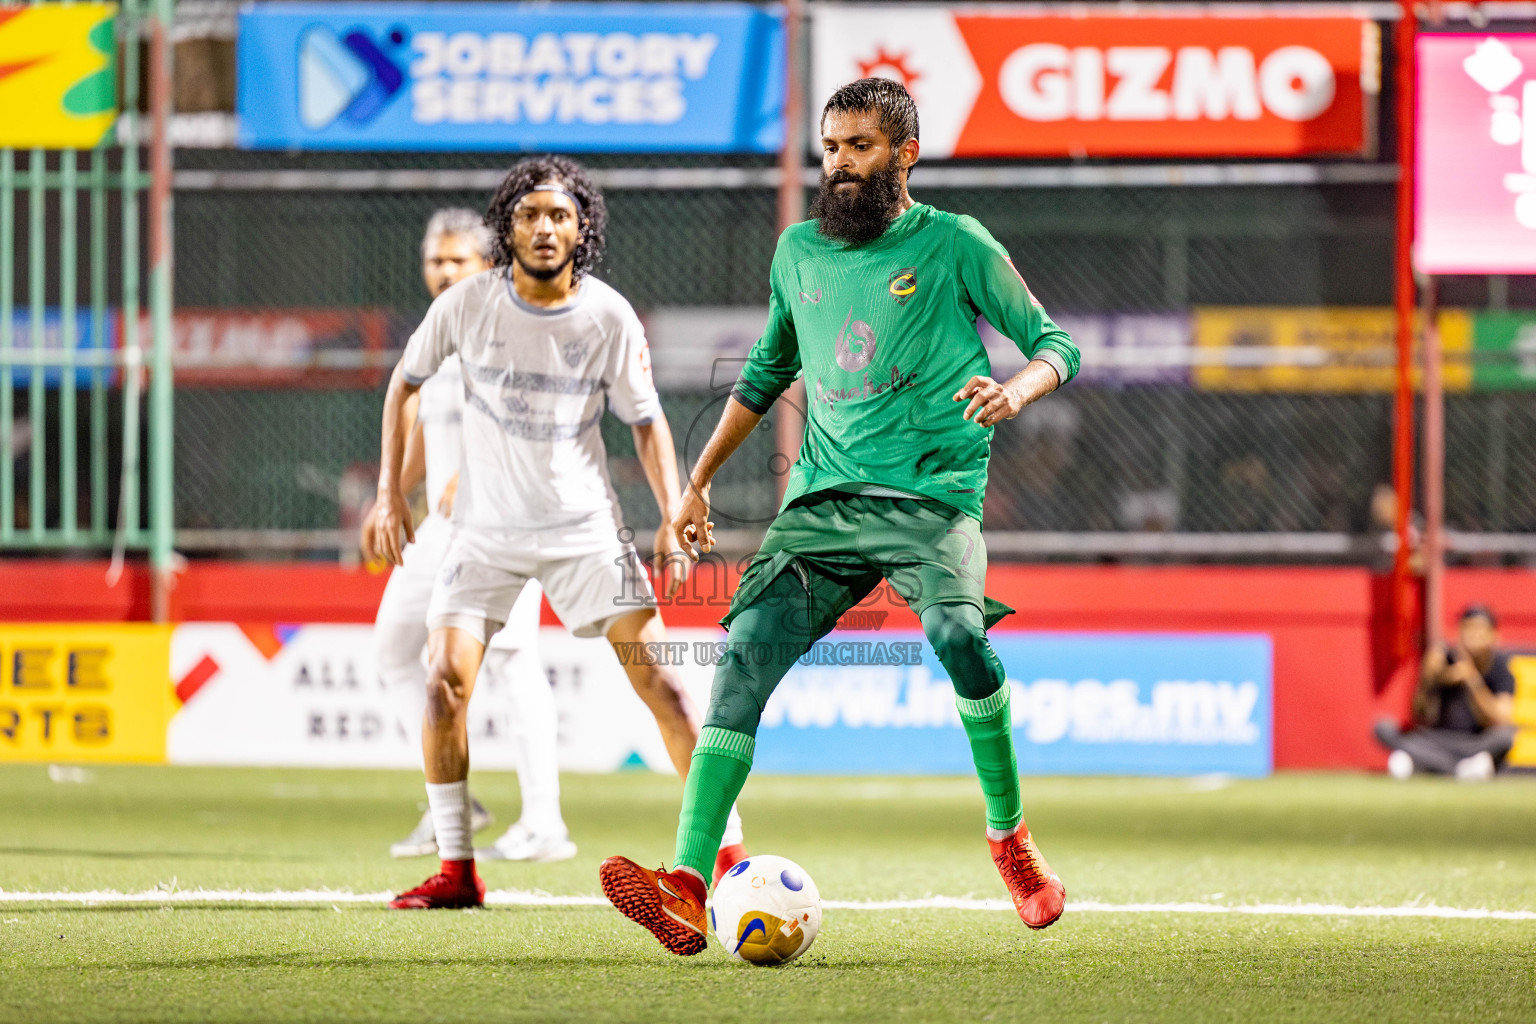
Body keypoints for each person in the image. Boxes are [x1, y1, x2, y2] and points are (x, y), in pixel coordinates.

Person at [598, 78, 1081, 955]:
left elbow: (1059, 345)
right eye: (830, 148)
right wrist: (694, 484)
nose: (841, 164)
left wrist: (1017, 388)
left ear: (905, 155)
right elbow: (763, 374)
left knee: (959, 638)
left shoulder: (955, 243)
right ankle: (686, 881)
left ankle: (1008, 837)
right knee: (739, 665)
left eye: (860, 147)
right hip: (819, 504)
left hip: (932, 502)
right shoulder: (797, 252)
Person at [371, 156, 746, 910]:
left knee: (666, 686)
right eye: (530, 215)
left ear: (583, 229)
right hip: (483, 534)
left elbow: (647, 424)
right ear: (507, 228)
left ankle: (728, 860)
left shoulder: (608, 315)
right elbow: (403, 384)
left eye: (561, 216)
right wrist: (388, 492)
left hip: (583, 530)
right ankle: (457, 869)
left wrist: (675, 511)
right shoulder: (466, 305)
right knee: (444, 686)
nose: (545, 228)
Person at [362, 209, 574, 864]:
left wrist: (481, 472)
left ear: (487, 264)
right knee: (394, 651)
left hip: (504, 521)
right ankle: (447, 797)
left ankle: (545, 823)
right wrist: (390, 492)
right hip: (442, 529)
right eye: (436, 260)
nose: (446, 271)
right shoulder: (440, 330)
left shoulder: (516, 324)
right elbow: (425, 423)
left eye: (459, 260)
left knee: (512, 662)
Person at [1375, 604, 1517, 781]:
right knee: (1383, 728)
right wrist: (1428, 678)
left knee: (1505, 737)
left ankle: (1425, 764)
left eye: (1480, 629)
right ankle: (1462, 770)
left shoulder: (1499, 668)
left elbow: (1500, 718)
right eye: (1468, 628)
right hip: (1438, 739)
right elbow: (1420, 713)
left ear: (1493, 636)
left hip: (1475, 743)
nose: (1473, 635)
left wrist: (1472, 680)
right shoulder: (1445, 658)